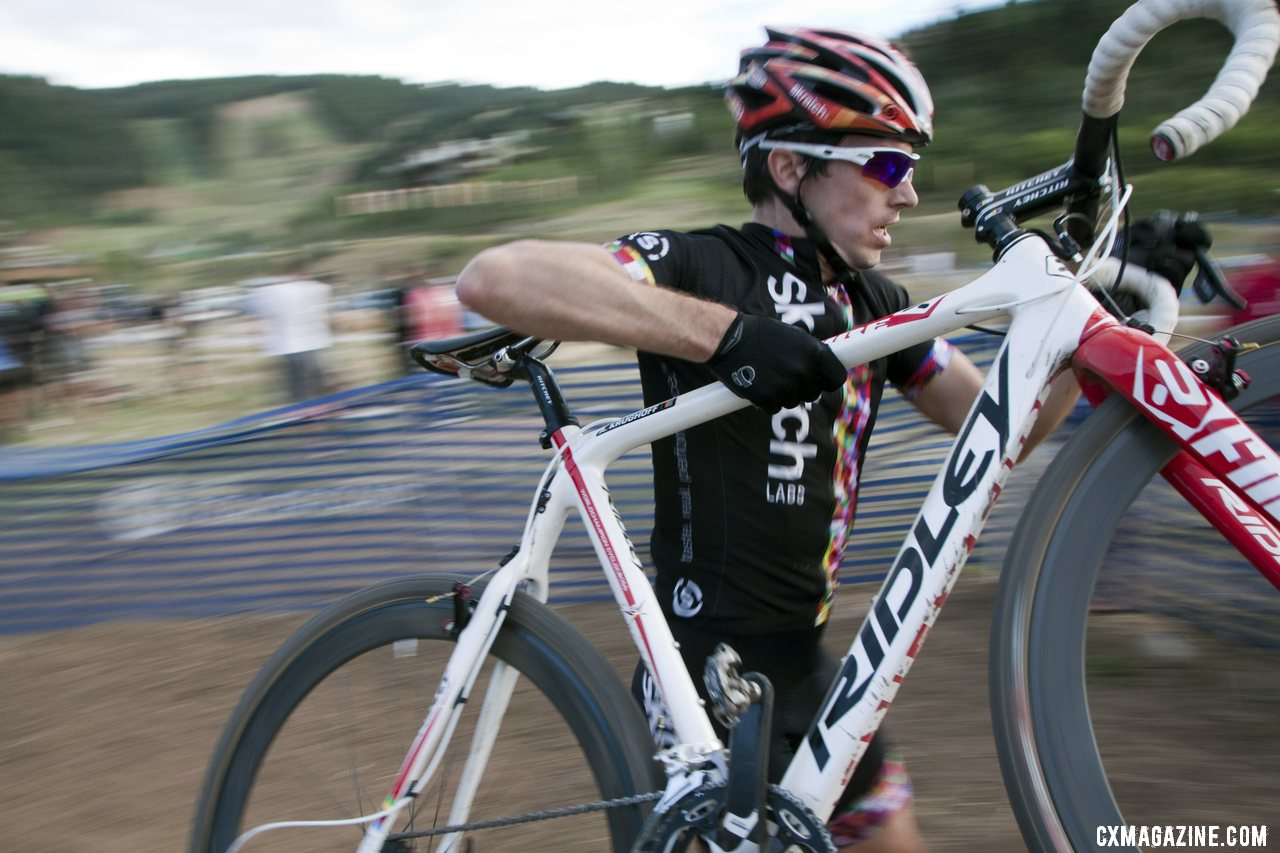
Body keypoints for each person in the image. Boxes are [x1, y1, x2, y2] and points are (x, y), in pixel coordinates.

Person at [452, 27, 1080, 850]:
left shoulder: (878, 302)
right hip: (704, 680)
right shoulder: (700, 262)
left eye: (912, 172)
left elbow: (1002, 425)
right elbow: (493, 279)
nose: (908, 195)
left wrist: (1101, 335)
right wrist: (727, 338)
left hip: (818, 677)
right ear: (790, 168)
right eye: (887, 165)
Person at [243, 261, 334, 404]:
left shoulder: (274, 291)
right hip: (312, 341)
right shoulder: (314, 288)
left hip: (290, 343)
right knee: (315, 376)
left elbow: (252, 306)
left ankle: (302, 407)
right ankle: (321, 403)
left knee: (297, 380)